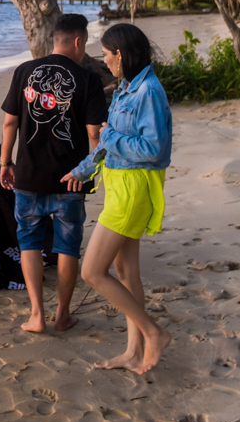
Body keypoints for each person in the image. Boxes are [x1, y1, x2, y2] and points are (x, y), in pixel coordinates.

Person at [61, 22, 173, 375]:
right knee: (126, 272)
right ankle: (132, 351)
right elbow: (107, 142)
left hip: (134, 190)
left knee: (92, 271)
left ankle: (154, 332)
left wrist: (112, 141)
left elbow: (155, 148)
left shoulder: (149, 92)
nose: (104, 60)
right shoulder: (126, 88)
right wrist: (81, 171)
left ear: (121, 55)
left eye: (107, 55)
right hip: (118, 186)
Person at [0, 13, 107, 334]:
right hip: (70, 179)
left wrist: (6, 163)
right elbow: (94, 135)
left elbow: (10, 123)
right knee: (67, 247)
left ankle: (36, 315)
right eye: (85, 44)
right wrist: (94, 172)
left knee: (29, 243)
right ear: (78, 42)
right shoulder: (88, 80)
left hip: (28, 177)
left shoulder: (23, 72)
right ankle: (62, 315)